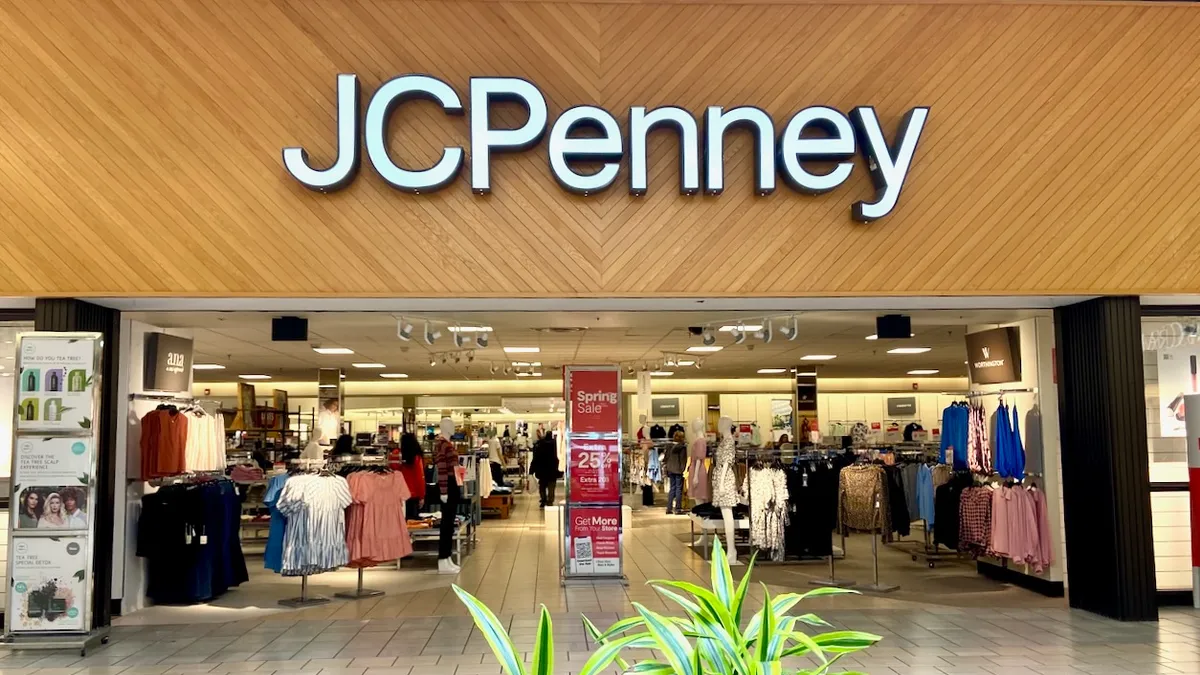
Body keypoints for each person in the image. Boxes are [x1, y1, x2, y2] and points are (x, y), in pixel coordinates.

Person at [397, 433, 427, 521]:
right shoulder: (416, 458)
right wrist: (422, 496)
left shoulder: (398, 457)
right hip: (413, 494)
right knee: (413, 522)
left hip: (400, 493)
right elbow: (420, 478)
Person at [529, 433, 560, 508]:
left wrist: (531, 470)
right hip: (553, 469)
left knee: (542, 486)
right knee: (551, 486)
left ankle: (543, 500)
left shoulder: (540, 445)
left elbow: (535, 458)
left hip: (542, 470)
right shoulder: (555, 445)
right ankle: (550, 501)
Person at [664, 430, 688, 514]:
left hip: (670, 469)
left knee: (672, 488)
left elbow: (666, 458)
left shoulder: (669, 446)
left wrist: (667, 468)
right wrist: (683, 470)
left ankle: (669, 508)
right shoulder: (682, 447)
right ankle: (678, 508)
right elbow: (682, 460)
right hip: (678, 470)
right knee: (678, 489)